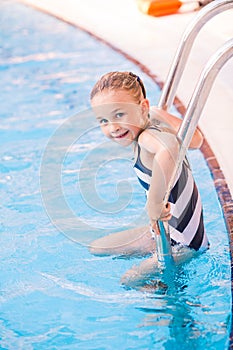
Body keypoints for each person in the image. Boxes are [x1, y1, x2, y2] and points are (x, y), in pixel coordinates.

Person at [89, 71, 209, 288]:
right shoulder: (154, 116)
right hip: (164, 232)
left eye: (119, 115)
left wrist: (153, 204)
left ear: (142, 107)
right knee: (97, 248)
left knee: (129, 281)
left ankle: (165, 299)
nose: (113, 127)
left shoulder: (147, 137)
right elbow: (196, 139)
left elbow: (170, 148)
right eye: (103, 120)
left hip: (185, 244)